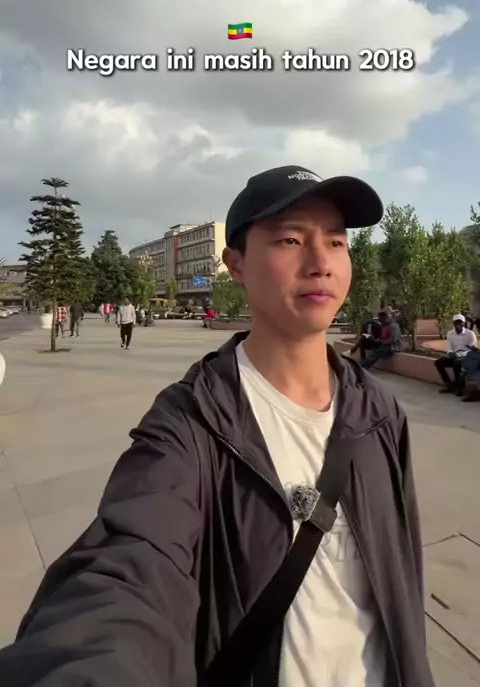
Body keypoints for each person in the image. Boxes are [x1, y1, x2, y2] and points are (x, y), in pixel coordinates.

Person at [0, 165, 434, 687]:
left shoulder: (380, 413)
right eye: (291, 240)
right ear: (236, 265)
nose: (321, 263)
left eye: (337, 242)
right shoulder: (190, 423)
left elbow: (403, 583)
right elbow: (130, 568)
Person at [434, 314, 477, 395]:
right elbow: (449, 347)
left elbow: (472, 350)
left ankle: (460, 388)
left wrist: (459, 355)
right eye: (456, 322)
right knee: (439, 362)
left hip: (466, 357)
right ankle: (449, 384)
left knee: (457, 363)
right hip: (454, 356)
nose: (458, 324)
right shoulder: (450, 334)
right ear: (453, 323)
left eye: (460, 322)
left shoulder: (470, 334)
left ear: (463, 323)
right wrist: (450, 353)